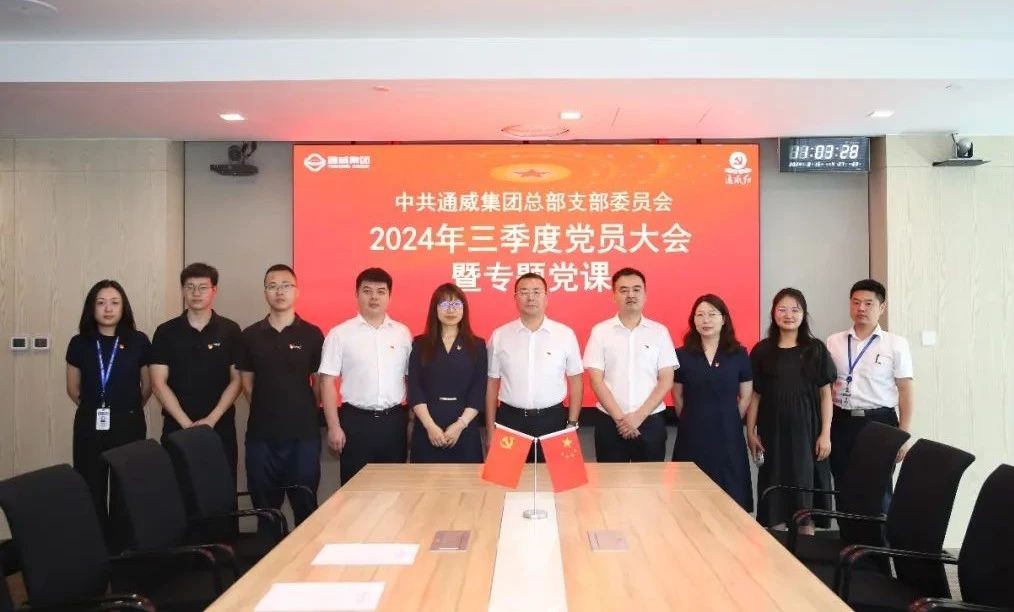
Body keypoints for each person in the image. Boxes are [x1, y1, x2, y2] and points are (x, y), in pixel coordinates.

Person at [237, 264, 324, 530]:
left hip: (303, 435)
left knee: (306, 507)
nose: (279, 291)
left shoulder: (312, 334)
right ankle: (268, 555)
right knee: (266, 512)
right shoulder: (250, 335)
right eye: (272, 286)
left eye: (286, 285)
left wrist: (300, 408)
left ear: (297, 291)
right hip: (262, 436)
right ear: (265, 292)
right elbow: (247, 384)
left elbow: (318, 384)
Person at [65, 280, 151, 546]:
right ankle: (95, 546)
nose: (108, 309)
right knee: (90, 485)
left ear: (124, 307)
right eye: (101, 303)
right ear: (91, 308)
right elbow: (72, 388)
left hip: (129, 422)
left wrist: (127, 408)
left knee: (126, 485)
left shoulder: (138, 340)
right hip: (90, 424)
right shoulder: (80, 342)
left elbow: (147, 386)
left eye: (115, 303)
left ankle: (123, 545)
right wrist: (97, 408)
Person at [747, 288, 835, 532]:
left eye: (795, 310)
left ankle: (805, 551)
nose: (788, 315)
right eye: (782, 309)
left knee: (804, 497)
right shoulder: (762, 350)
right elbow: (755, 395)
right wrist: (750, 432)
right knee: (773, 494)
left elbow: (826, 395)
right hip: (772, 433)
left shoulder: (815, 349)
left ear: (804, 314)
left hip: (807, 434)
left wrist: (825, 433)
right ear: (773, 313)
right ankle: (774, 550)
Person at [319, 268, 413, 485]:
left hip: (394, 422)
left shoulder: (402, 333)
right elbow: (326, 382)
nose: (374, 297)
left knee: (394, 489)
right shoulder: (340, 334)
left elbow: (410, 379)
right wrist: (333, 426)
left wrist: (410, 421)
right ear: (357, 294)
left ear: (389, 296)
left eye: (381, 291)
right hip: (355, 423)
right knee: (355, 491)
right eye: (367, 291)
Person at [826, 279, 914, 509]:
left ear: (881, 307)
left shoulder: (896, 344)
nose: (861, 308)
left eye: (868, 303)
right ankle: (847, 533)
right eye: (856, 302)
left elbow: (905, 390)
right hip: (841, 421)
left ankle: (880, 534)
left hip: (880, 423)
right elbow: (825, 387)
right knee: (843, 486)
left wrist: (904, 435)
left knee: (878, 489)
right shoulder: (834, 341)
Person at [150, 262, 243, 479]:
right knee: (178, 489)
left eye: (203, 287)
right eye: (190, 287)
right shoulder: (165, 331)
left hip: (219, 426)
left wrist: (211, 419)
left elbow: (237, 380)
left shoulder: (230, 330)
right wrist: (186, 424)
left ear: (214, 290)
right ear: (182, 290)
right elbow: (157, 383)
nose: (196, 293)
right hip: (177, 427)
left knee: (220, 489)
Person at [486, 273, 583, 462]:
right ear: (515, 298)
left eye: (536, 292)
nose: (530, 297)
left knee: (555, 478)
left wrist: (572, 424)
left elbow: (576, 381)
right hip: (510, 422)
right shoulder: (500, 336)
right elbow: (491, 384)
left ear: (546, 297)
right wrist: (490, 430)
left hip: (553, 422)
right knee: (505, 477)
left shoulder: (565, 334)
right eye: (524, 292)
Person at [583, 268, 678, 462]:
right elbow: (596, 380)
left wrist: (638, 417)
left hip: (650, 421)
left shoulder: (659, 332)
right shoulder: (600, 331)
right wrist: (621, 419)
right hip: (610, 421)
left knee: (651, 480)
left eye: (636, 289)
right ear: (614, 295)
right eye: (624, 290)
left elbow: (666, 379)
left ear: (645, 294)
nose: (631, 295)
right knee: (610, 479)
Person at [672, 294, 753, 511]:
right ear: (693, 320)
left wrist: (728, 416)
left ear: (724, 319)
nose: (705, 320)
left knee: (730, 497)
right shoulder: (681, 355)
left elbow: (746, 395)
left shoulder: (738, 354)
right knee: (690, 498)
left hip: (728, 432)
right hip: (692, 432)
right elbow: (677, 396)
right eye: (700, 315)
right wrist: (693, 418)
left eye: (712, 314)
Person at [407, 283, 486, 463]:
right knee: (424, 480)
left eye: (456, 304)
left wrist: (460, 425)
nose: (451, 310)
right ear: (434, 309)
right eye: (444, 304)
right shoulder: (420, 344)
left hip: (464, 427)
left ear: (464, 309)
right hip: (427, 427)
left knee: (466, 480)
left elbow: (478, 390)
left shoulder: (477, 345)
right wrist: (430, 426)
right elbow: (415, 388)